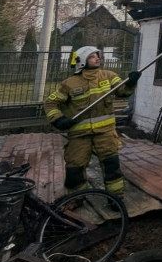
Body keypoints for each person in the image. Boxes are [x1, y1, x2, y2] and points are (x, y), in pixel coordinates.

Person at [44, 46, 140, 198]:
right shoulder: (70, 84)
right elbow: (50, 103)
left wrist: (130, 83)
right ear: (82, 61)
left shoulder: (108, 76)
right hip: (79, 134)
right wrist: (58, 119)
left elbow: (123, 92)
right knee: (75, 167)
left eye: (97, 55)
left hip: (106, 133)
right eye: (92, 56)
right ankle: (76, 198)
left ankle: (116, 198)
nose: (97, 58)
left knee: (111, 165)